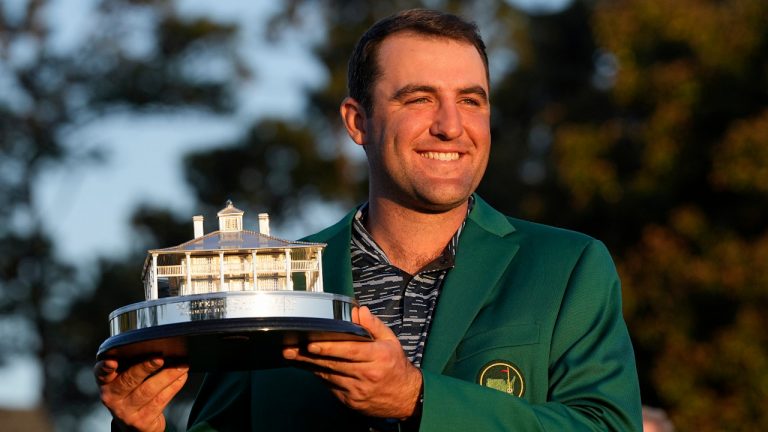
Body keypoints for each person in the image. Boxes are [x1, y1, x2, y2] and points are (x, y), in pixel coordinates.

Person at [95, 8, 642, 431]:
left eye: (472, 101)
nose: (452, 126)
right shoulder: (275, 277)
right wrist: (139, 426)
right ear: (358, 122)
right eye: (419, 99)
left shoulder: (568, 266)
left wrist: (418, 400)